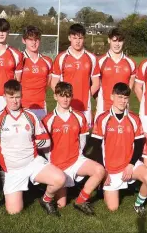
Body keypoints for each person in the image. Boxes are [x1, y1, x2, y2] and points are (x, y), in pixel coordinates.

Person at [0, 79, 65, 215]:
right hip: (12, 169)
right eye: (11, 97)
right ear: (4, 97)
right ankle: (13, 183)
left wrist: (29, 146)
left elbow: (46, 141)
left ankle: (46, 199)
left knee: (59, 178)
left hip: (33, 162)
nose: (14, 101)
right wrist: (1, 149)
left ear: (21, 96)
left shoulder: (30, 116)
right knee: (14, 211)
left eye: (17, 97)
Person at [92, 82, 147, 217]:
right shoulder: (103, 118)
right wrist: (104, 172)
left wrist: (131, 164)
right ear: (112, 97)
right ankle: (102, 186)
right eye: (119, 97)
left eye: (126, 98)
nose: (123, 101)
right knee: (113, 208)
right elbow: (96, 147)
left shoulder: (134, 119)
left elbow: (139, 144)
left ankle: (138, 204)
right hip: (110, 168)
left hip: (129, 165)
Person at [42, 82, 106, 215]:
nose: (65, 99)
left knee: (99, 170)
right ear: (55, 96)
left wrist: (77, 156)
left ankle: (81, 201)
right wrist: (52, 164)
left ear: (71, 97)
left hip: (76, 160)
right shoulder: (47, 119)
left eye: (68, 96)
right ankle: (47, 196)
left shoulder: (79, 116)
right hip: (57, 164)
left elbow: (82, 142)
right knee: (61, 204)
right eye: (62, 96)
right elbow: (44, 147)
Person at [51, 24, 100, 126]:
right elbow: (54, 83)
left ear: (84, 38)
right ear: (69, 38)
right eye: (74, 38)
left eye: (80, 38)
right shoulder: (61, 57)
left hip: (84, 107)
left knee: (83, 139)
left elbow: (96, 83)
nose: (77, 41)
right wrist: (63, 97)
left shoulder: (92, 58)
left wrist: (86, 95)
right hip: (65, 106)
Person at [96, 28, 136, 117]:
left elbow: (129, 88)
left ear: (123, 42)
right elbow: (95, 84)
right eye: (114, 41)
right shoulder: (99, 61)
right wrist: (99, 100)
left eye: (120, 41)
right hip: (103, 108)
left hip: (123, 108)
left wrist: (126, 103)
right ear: (109, 40)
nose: (117, 44)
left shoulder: (131, 63)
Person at [20, 25, 52, 120]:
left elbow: (48, 83)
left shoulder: (47, 61)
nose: (34, 43)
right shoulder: (19, 59)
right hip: (23, 106)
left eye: (36, 39)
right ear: (24, 40)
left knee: (41, 134)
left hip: (41, 107)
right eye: (30, 39)